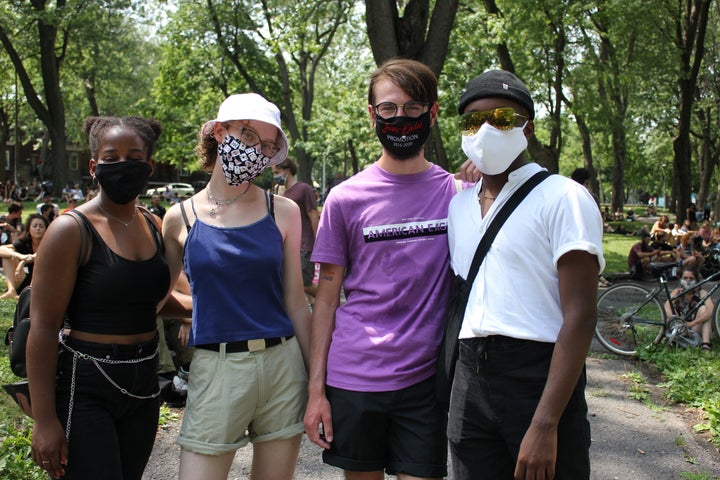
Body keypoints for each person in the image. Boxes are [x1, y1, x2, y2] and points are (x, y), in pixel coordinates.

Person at [304, 58, 466, 480]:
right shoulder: (345, 198)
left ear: (432, 113)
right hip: (354, 377)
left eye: (413, 108)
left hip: (426, 381)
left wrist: (489, 175)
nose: (401, 118)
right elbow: (325, 301)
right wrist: (315, 390)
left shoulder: (461, 195)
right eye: (389, 109)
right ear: (372, 115)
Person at [447, 69, 604, 480]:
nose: (483, 130)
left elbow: (581, 315)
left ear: (526, 129)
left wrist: (545, 422)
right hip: (469, 379)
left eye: (499, 119)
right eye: (472, 121)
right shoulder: (458, 208)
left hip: (537, 377)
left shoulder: (564, 198)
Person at [26, 115, 184, 480]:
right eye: (111, 158)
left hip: (144, 384)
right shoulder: (70, 230)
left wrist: (206, 311)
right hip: (87, 384)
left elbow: (149, 300)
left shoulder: (151, 223)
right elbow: (43, 327)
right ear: (94, 166)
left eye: (134, 156)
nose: (122, 166)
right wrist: (45, 420)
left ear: (149, 166)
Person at [162, 93, 311, 480]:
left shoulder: (284, 211)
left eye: (265, 145)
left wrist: (319, 379)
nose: (254, 151)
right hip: (216, 367)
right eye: (246, 135)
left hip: (283, 366)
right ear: (218, 131)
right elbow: (162, 295)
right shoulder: (178, 219)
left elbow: (296, 302)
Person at [271, 158, 320, 302]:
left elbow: (313, 216)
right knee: (292, 285)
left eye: (277, 172)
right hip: (287, 245)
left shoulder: (304, 189)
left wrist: (319, 242)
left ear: (287, 171)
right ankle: (311, 309)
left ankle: (329, 301)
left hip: (305, 245)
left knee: (304, 285)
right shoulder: (280, 192)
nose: (275, 175)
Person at [664, 265, 714, 351]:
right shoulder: (677, 292)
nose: (687, 281)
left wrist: (693, 323)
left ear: (697, 280)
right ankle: (678, 338)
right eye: (685, 278)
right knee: (671, 308)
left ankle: (706, 344)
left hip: (696, 328)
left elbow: (711, 310)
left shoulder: (702, 293)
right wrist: (678, 322)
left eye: (691, 279)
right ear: (680, 279)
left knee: (704, 309)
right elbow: (666, 305)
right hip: (681, 328)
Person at [0, 214, 49, 299]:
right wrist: (19, 255)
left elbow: (38, 255)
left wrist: (22, 262)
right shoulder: (24, 242)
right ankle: (11, 291)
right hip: (26, 279)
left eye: (41, 226)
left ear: (46, 229)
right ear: (29, 229)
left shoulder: (50, 243)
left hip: (44, 281)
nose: (38, 228)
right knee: (7, 256)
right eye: (34, 226)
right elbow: (2, 249)